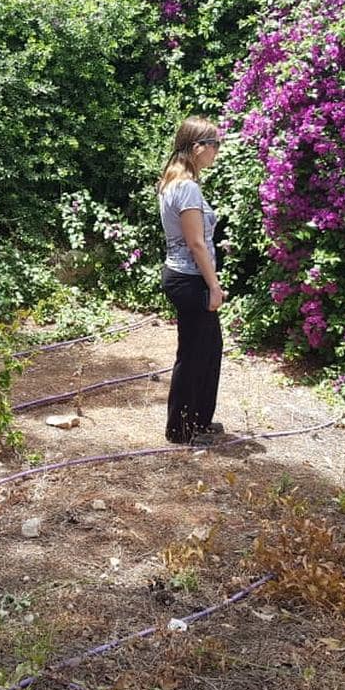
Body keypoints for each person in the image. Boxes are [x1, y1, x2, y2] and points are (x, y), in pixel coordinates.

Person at [157, 115, 226, 445]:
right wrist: (214, 285)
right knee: (197, 352)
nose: (217, 152)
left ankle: (198, 419)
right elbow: (196, 242)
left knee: (208, 348)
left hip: (187, 276)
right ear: (198, 147)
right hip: (190, 279)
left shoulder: (176, 183)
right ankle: (182, 429)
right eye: (215, 145)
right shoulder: (185, 187)